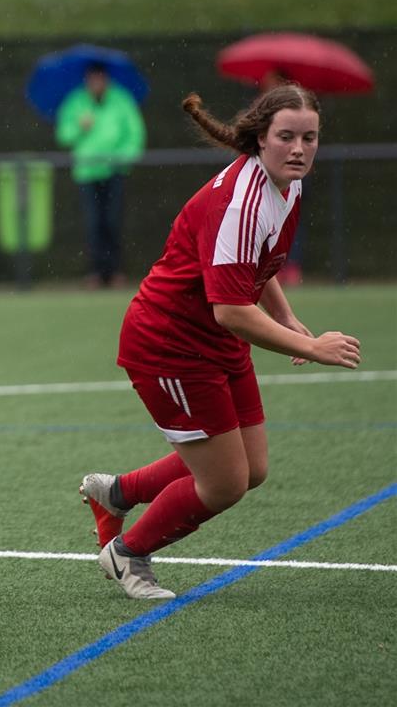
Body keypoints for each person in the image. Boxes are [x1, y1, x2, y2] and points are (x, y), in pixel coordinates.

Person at [79, 86, 360, 599]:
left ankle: (116, 492)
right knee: (225, 483)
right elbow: (230, 309)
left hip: (215, 339)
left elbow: (255, 264)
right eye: (286, 137)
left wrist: (287, 316)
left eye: (310, 137)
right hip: (170, 344)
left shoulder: (286, 185)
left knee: (252, 468)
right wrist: (317, 347)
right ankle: (127, 554)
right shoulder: (242, 200)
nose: (299, 148)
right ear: (259, 138)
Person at [56, 63, 146, 288]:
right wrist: (80, 127)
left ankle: (115, 272)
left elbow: (134, 133)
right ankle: (96, 272)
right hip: (87, 172)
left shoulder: (121, 100)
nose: (96, 83)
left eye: (99, 78)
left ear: (105, 79)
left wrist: (122, 158)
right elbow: (64, 135)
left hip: (114, 171)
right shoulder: (75, 102)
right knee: (93, 223)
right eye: (91, 79)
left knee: (113, 221)